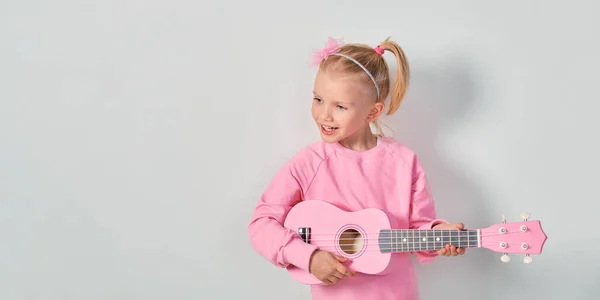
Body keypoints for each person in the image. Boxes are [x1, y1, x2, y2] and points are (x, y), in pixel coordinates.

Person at [247, 36, 466, 300]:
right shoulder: (308, 163)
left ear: (372, 112)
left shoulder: (404, 162)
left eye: (340, 106)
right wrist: (308, 256)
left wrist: (437, 235)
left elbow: (418, 230)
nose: (324, 115)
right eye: (318, 99)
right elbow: (261, 224)